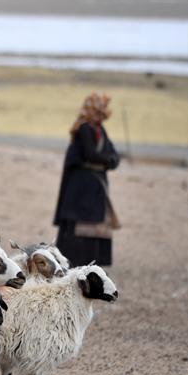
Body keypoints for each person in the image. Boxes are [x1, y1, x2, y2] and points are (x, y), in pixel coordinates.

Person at [54, 92, 120, 266]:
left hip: (95, 184)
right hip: (80, 185)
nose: (100, 116)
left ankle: (92, 261)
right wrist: (109, 160)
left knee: (95, 219)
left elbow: (112, 153)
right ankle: (74, 261)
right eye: (98, 112)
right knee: (79, 220)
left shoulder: (99, 129)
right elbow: (91, 154)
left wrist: (111, 160)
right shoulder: (83, 128)